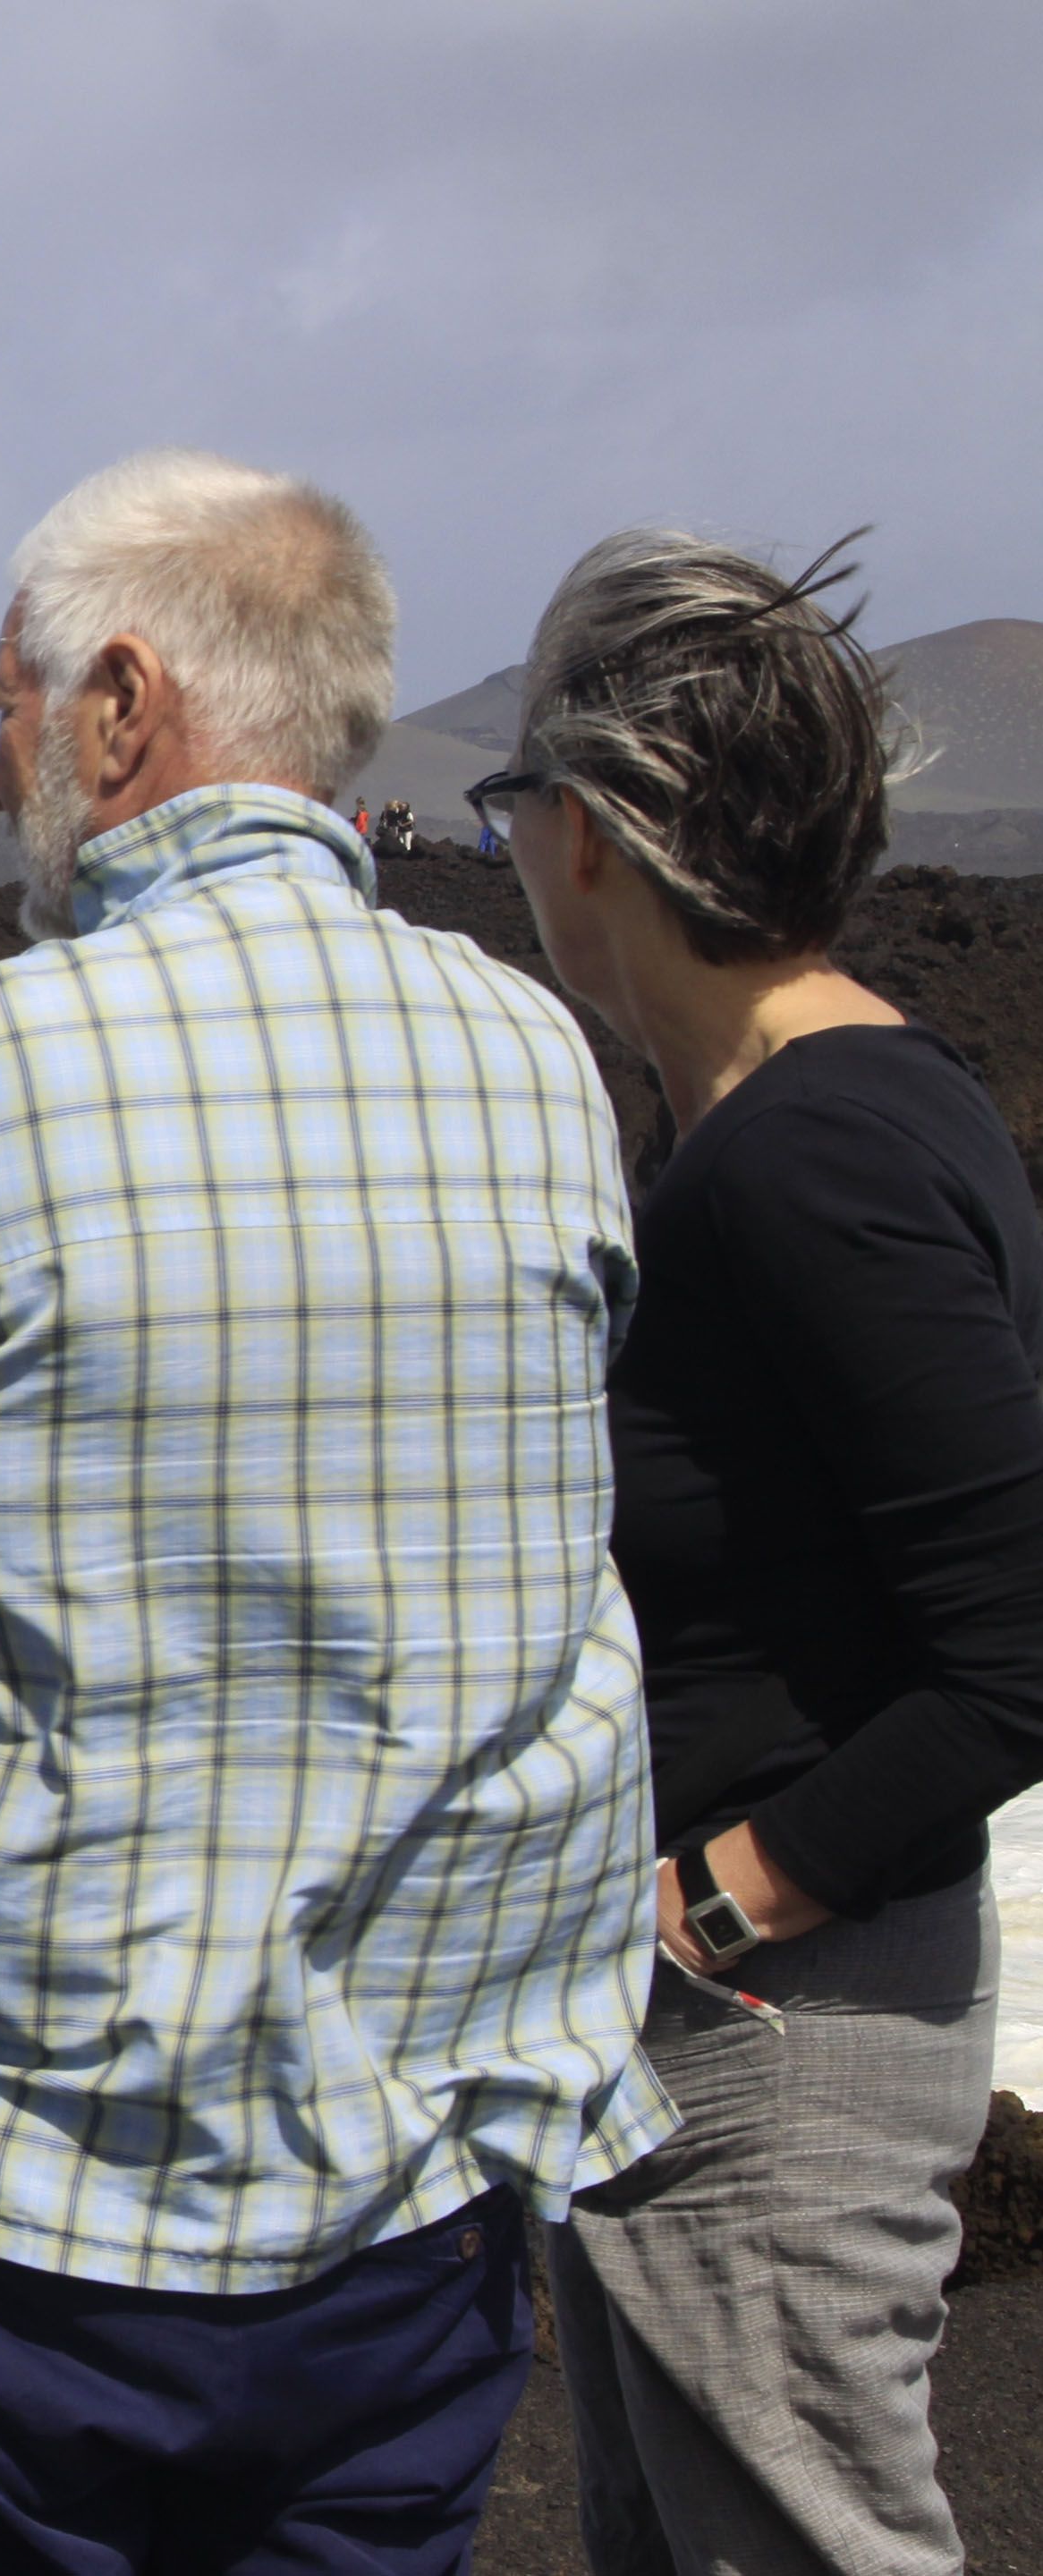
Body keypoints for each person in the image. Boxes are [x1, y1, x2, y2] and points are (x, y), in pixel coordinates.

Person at [0, 447, 668, 2575]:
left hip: (9, 2201)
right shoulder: (538, 1056)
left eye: (10, 695)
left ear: (121, 705)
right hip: (416, 2190)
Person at [485, 531, 1043, 2576]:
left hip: (779, 2047)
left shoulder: (813, 1156)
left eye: (514, 802)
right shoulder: (831, 1112)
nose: (516, 851)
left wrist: (718, 1908)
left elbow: (1021, 1646)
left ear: (604, 833)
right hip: (757, 2032)